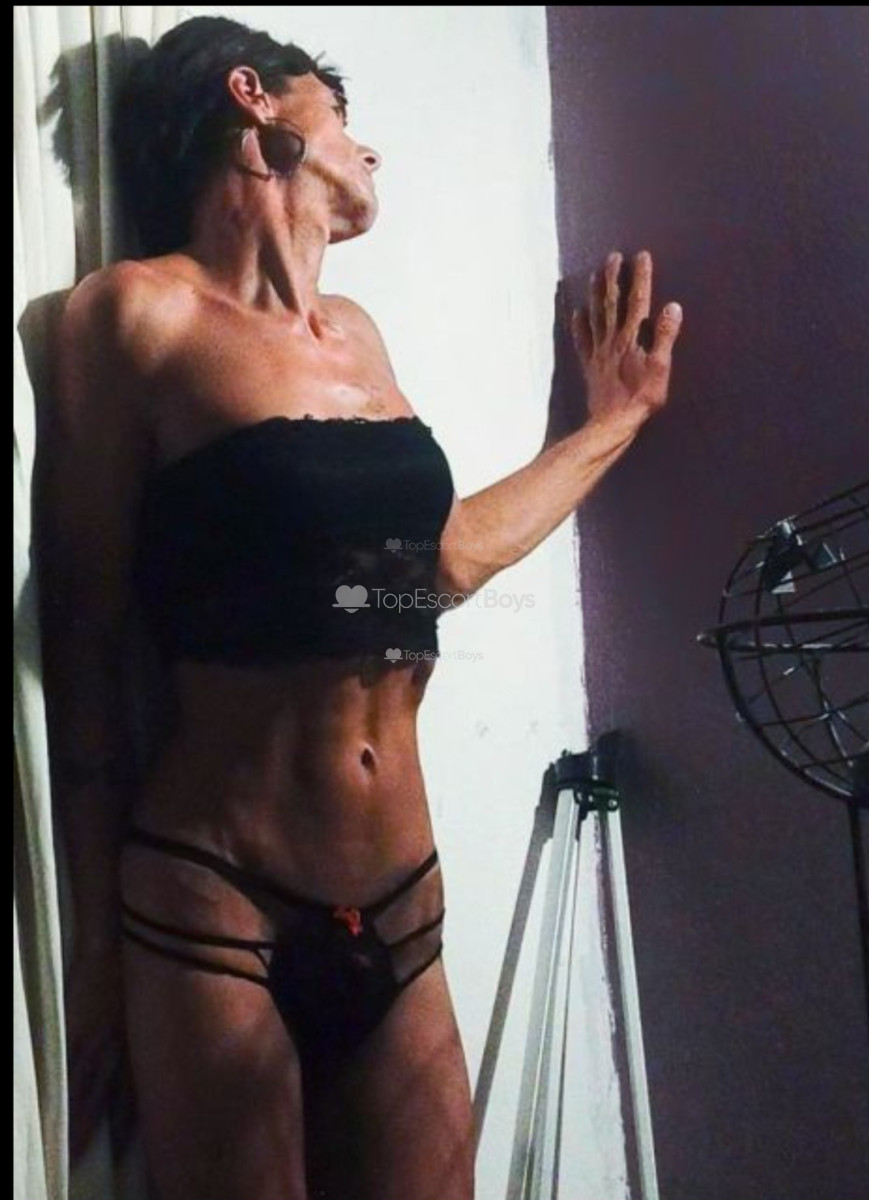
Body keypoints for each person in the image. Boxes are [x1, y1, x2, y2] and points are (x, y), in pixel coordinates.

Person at [34, 15, 683, 1200]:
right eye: (342, 117)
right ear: (255, 100)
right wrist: (90, 953)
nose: (368, 151)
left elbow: (424, 574)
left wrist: (612, 423)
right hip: (217, 903)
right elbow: (83, 634)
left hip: (400, 905)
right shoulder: (131, 317)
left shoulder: (358, 340)